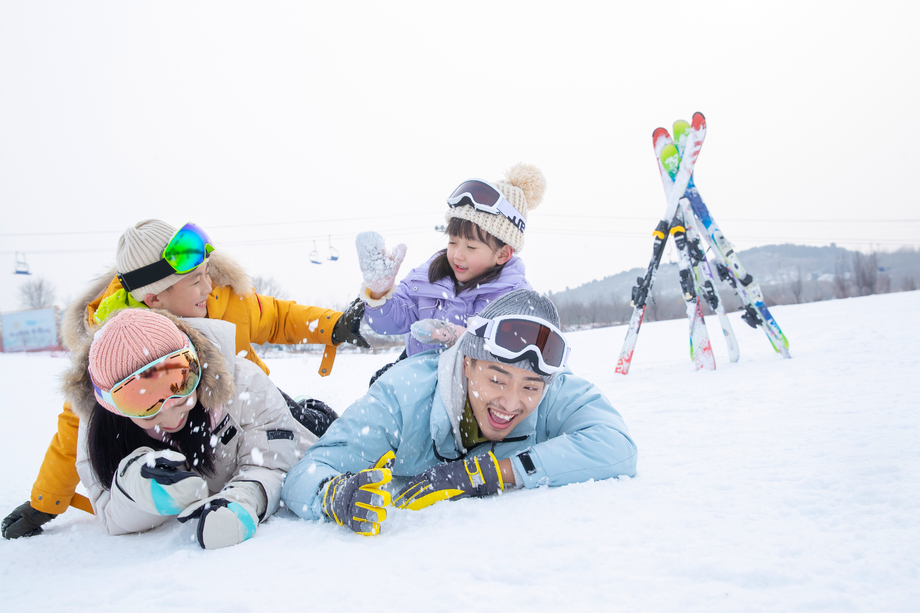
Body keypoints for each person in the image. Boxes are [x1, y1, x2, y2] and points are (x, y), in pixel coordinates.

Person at [1, 220, 367, 540]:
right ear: (155, 298)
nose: (209, 286)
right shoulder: (121, 348)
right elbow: (76, 426)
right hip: (185, 432)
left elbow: (274, 315)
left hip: (253, 406)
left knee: (314, 426)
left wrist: (333, 325)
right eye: (195, 280)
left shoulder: (219, 298)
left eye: (208, 272)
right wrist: (45, 502)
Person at [281, 290, 638, 536]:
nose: (512, 403)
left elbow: (617, 446)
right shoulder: (401, 397)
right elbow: (305, 474)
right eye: (497, 379)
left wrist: (491, 472)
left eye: (530, 387)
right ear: (467, 364)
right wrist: (335, 495)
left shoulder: (552, 391)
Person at [64, 308, 315, 549]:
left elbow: (273, 465)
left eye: (179, 384)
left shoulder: (246, 384)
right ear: (112, 407)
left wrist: (244, 498)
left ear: (195, 361)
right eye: (143, 402)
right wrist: (138, 489)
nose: (170, 415)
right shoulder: (100, 429)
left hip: (300, 428)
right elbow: (111, 514)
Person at [355, 163, 545, 382]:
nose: (457, 255)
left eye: (471, 247)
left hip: (474, 404)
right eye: (453, 242)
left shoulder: (517, 300)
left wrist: (464, 338)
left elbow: (520, 362)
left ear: (503, 254)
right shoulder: (426, 279)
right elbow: (388, 324)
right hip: (418, 390)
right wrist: (380, 293)